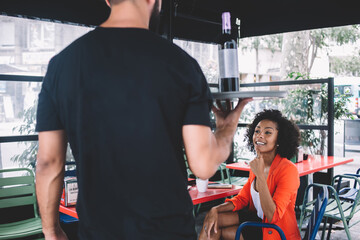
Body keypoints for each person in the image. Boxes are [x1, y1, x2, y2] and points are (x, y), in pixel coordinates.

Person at [35, 0, 251, 239]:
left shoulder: (61, 66)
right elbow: (203, 165)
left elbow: (48, 163)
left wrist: (51, 230)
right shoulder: (182, 66)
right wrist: (227, 129)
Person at [199, 109, 301, 240]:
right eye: (257, 131)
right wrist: (215, 209)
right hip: (258, 222)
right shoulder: (257, 164)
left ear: (279, 139)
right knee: (213, 220)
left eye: (268, 132)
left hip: (276, 232)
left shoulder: (288, 170)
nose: (259, 135)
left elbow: (273, 215)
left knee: (219, 230)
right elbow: (242, 199)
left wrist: (260, 176)